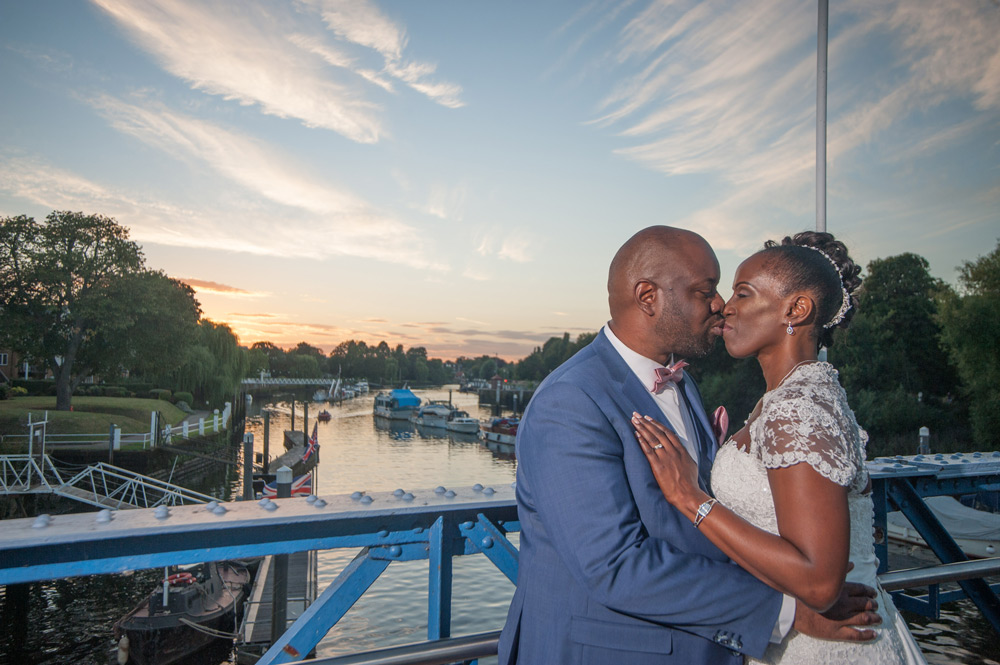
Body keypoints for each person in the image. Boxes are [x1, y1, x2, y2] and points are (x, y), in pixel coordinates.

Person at [498, 226, 881, 665]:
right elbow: (615, 567)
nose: (721, 305)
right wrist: (784, 612)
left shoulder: (684, 384)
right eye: (707, 290)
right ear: (649, 298)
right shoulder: (571, 401)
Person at [632, 231, 926, 664]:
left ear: (797, 308)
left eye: (743, 294)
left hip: (827, 645)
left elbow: (820, 582)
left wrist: (690, 498)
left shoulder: (799, 408)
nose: (725, 307)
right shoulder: (780, 399)